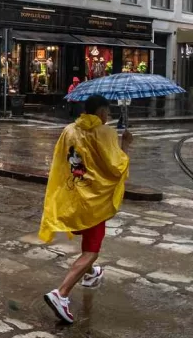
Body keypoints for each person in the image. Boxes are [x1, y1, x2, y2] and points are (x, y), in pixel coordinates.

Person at [40, 95, 133, 324]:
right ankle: (61, 293)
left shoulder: (69, 130)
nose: (108, 117)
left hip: (73, 198)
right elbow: (115, 167)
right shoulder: (105, 132)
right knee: (92, 250)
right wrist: (126, 146)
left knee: (87, 244)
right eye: (107, 113)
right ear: (101, 112)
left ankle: (91, 273)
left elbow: (62, 161)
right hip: (94, 202)